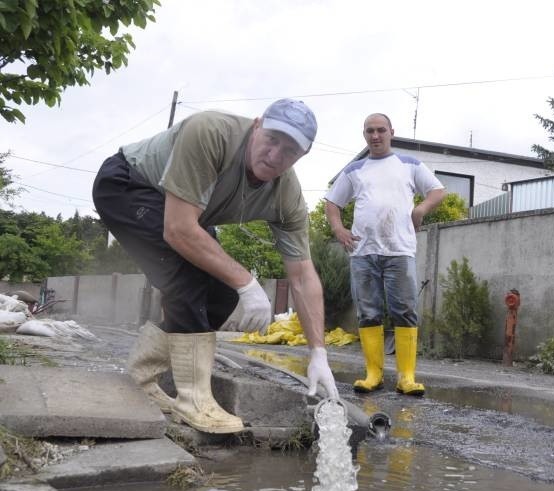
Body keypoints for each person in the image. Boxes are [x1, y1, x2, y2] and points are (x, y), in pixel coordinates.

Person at [92, 98, 339, 434]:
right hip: (128, 185)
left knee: (221, 294)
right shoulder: (210, 132)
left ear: (303, 155)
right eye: (272, 139)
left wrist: (318, 353)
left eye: (290, 150)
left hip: (186, 211)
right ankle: (193, 398)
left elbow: (302, 277)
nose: (275, 155)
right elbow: (178, 230)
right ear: (256, 126)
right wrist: (249, 283)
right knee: (188, 275)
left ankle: (144, 378)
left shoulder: (287, 198)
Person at [324, 113, 446, 396]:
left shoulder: (409, 164)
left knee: (405, 310)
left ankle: (406, 377)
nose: (375, 136)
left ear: (391, 132)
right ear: (364, 135)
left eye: (381, 130)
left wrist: (420, 210)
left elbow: (438, 191)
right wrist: (338, 229)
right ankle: (373, 375)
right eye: (370, 131)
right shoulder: (355, 169)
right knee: (368, 312)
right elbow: (332, 202)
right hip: (362, 252)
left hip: (399, 250)